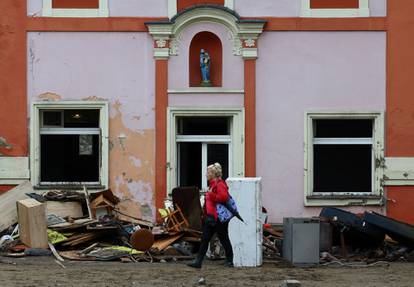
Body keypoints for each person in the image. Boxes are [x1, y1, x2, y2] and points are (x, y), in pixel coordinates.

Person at [187, 163, 234, 269]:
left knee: (224, 238)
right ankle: (198, 262)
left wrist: (211, 195)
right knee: (204, 239)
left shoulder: (220, 184)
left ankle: (230, 261)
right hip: (211, 218)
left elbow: (224, 197)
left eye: (208, 172)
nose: (206, 174)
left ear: (213, 173)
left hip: (219, 218)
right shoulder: (212, 184)